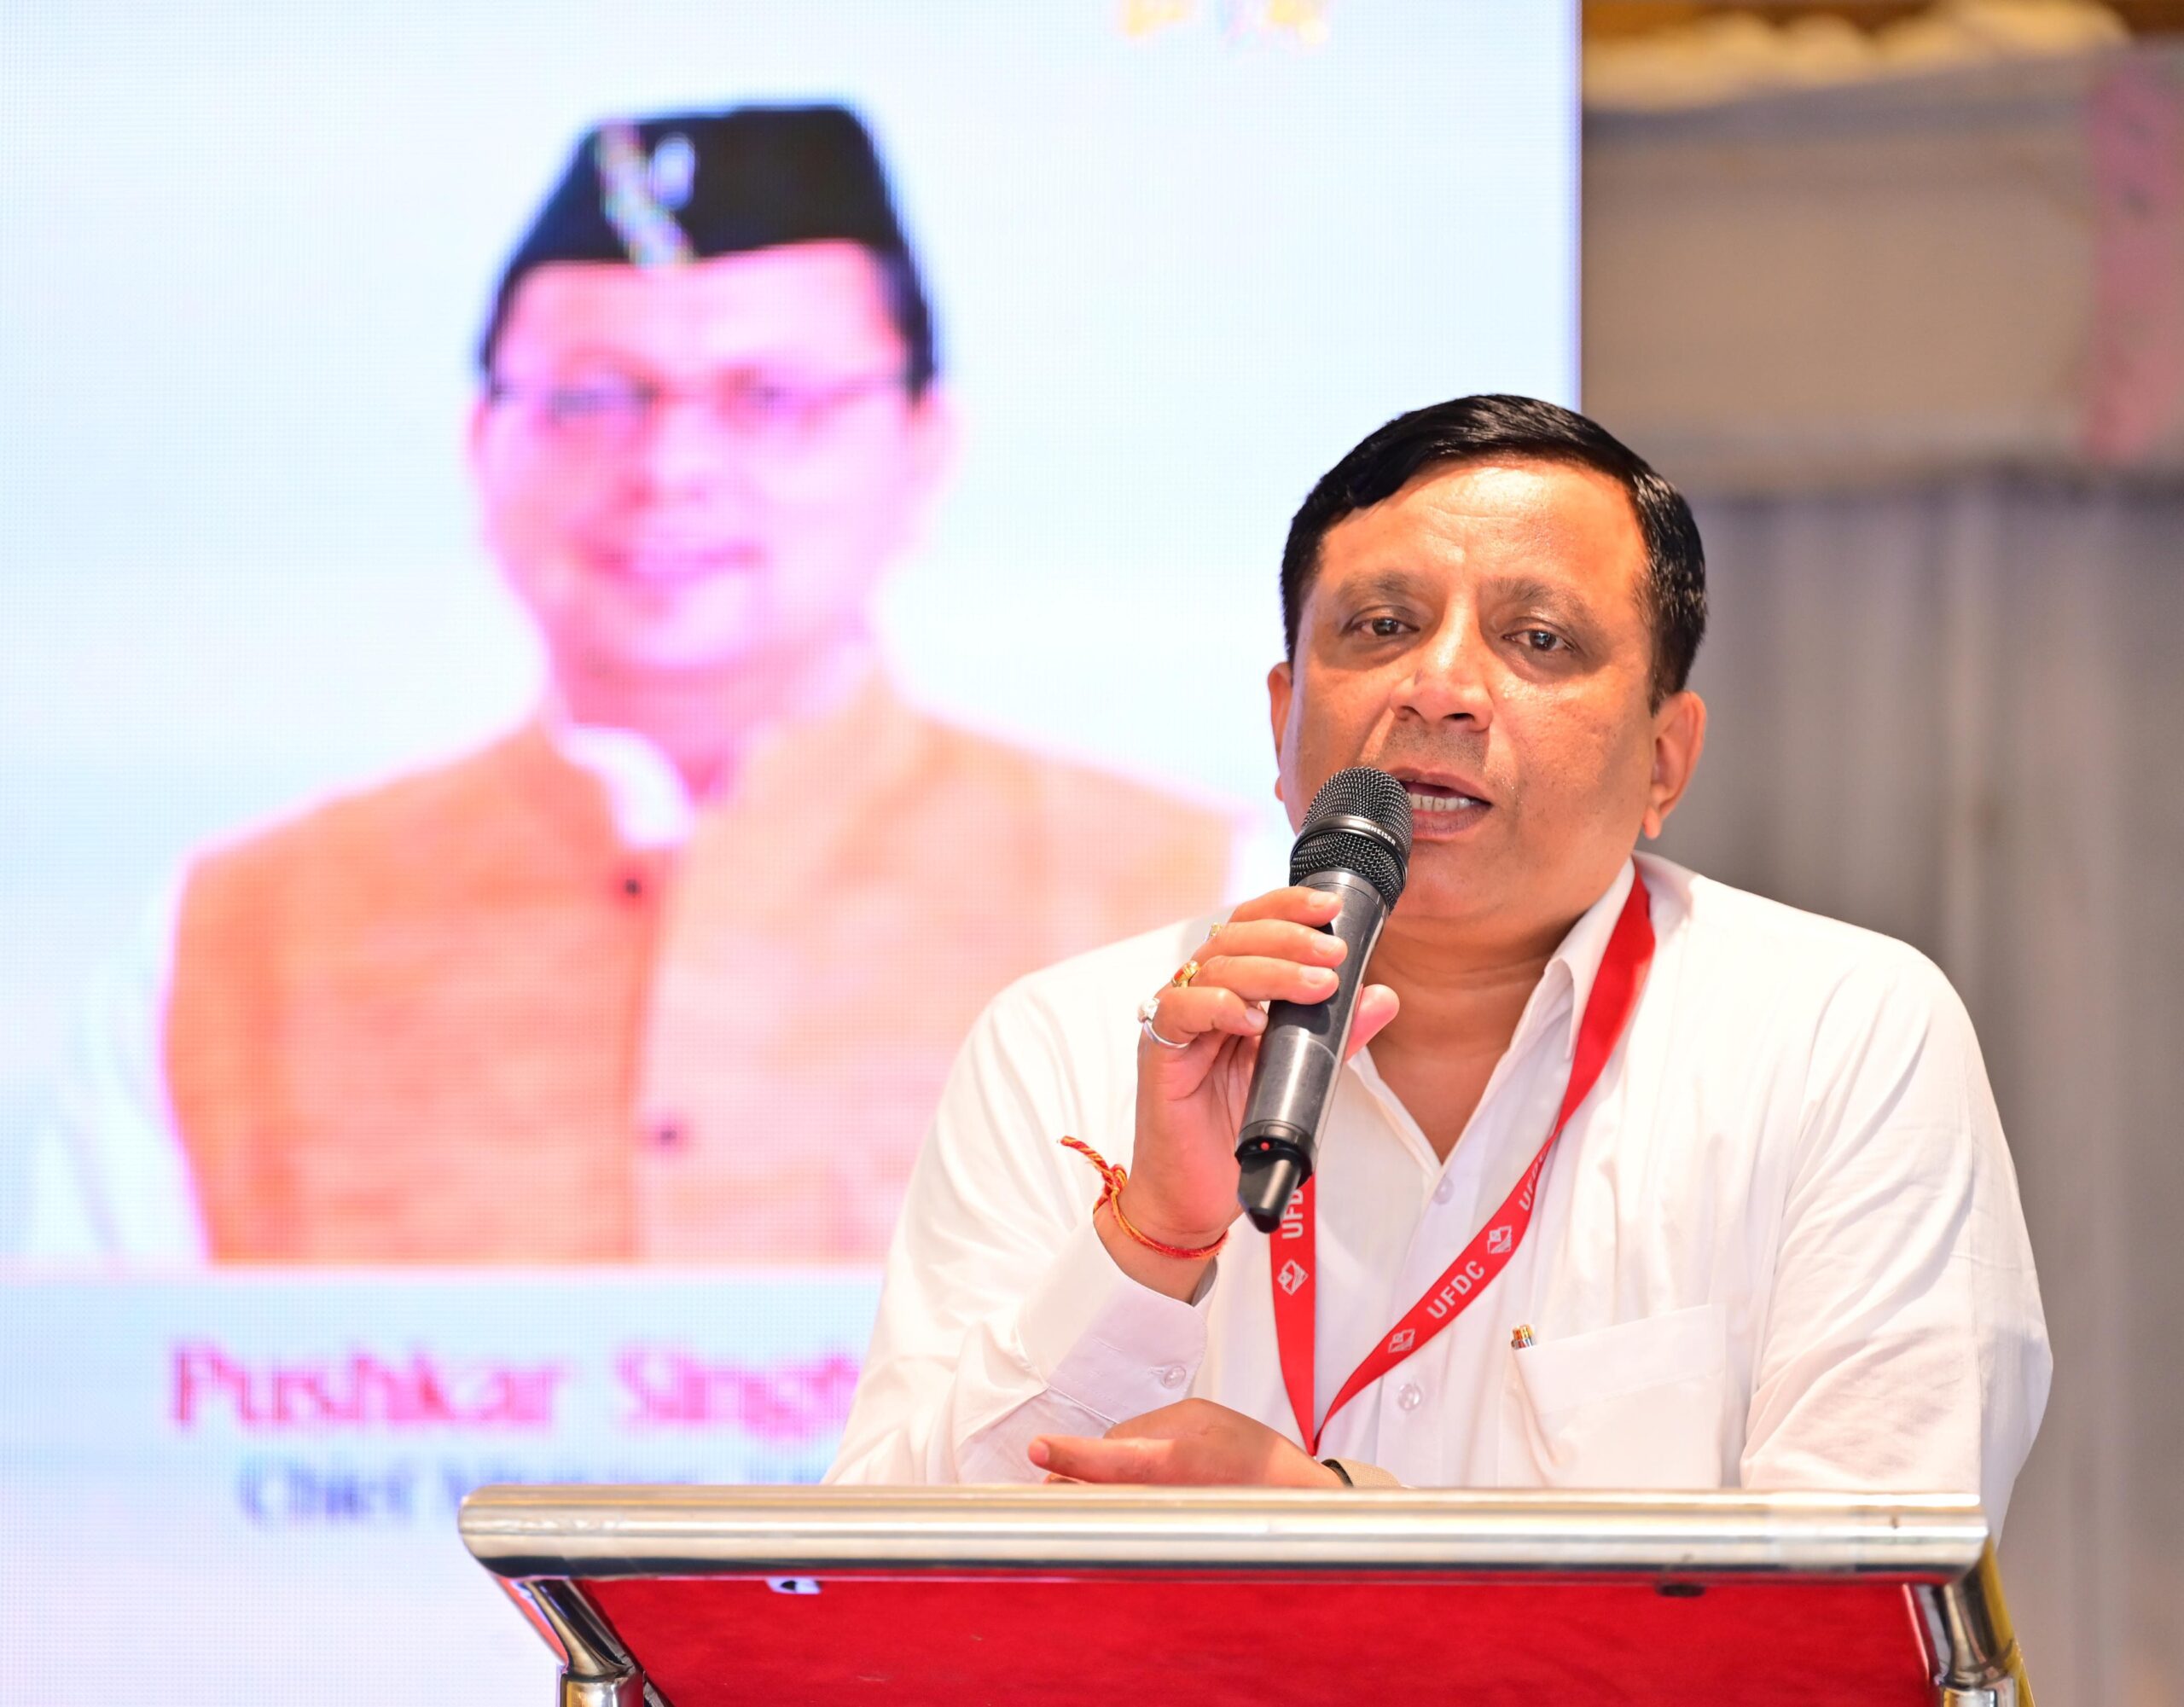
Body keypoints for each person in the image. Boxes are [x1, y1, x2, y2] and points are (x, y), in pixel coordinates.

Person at [21, 105, 1234, 1265]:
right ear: (481, 446)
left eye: (772, 400)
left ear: (923, 444)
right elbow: (85, 1400)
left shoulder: (1194, 912)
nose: (672, 468)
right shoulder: (229, 946)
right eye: (594, 398)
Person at [829, 395, 2049, 1524]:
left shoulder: (1837, 1033)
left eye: (1539, 638)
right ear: (1282, 716)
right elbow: (879, 1577)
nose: (1442, 686)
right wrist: (1151, 1240)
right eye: (1382, 626)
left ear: (1665, 760)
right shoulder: (1073, 1041)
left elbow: (1856, 1612)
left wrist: (1350, 1551)